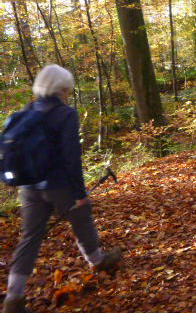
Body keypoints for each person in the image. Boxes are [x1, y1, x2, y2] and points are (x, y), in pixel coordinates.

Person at [3, 65, 121, 313]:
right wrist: (79, 194)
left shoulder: (26, 112)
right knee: (82, 219)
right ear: (62, 88)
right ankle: (98, 261)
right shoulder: (65, 114)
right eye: (68, 87)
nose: (69, 91)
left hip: (30, 186)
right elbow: (71, 158)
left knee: (30, 238)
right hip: (59, 185)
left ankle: (13, 298)